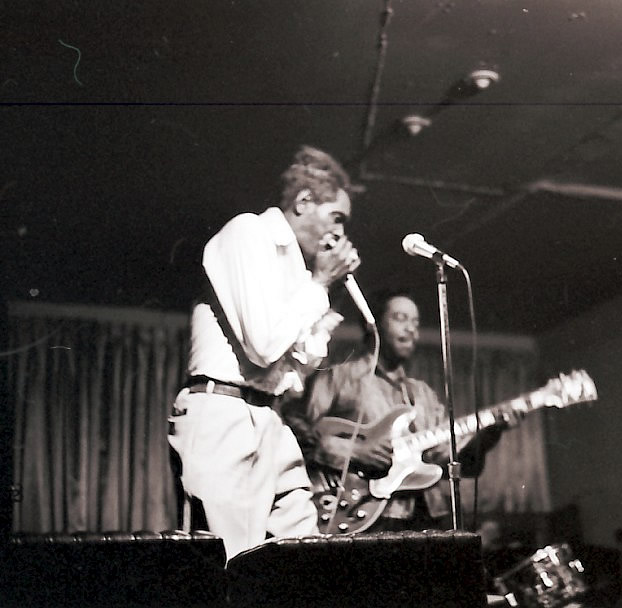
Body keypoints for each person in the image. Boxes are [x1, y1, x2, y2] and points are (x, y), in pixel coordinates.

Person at [167, 145, 362, 559]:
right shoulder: (248, 233)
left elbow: (296, 371)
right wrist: (320, 285)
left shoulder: (301, 272)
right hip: (222, 412)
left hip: (269, 418)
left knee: (302, 554)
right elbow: (263, 345)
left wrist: (327, 300)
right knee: (231, 563)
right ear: (304, 202)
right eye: (337, 218)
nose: (340, 234)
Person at [282, 288, 508, 533]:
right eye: (401, 318)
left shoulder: (423, 395)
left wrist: (488, 433)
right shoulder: (340, 377)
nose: (411, 329)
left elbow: (448, 460)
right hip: (362, 513)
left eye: (416, 322)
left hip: (425, 517)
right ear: (374, 326)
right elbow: (295, 428)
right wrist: (352, 450)